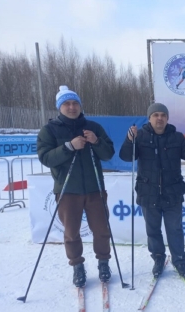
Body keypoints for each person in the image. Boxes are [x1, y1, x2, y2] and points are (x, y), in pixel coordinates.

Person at [37, 85, 115, 288]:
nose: (71, 107)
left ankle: (104, 263)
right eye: (66, 103)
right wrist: (68, 147)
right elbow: (45, 157)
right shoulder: (49, 130)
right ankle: (77, 266)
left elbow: (108, 154)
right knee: (71, 232)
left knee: (101, 229)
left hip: (94, 188)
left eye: (75, 103)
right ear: (59, 107)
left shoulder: (94, 127)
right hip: (67, 190)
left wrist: (96, 142)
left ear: (80, 106)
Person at [119, 103, 185, 279]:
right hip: (149, 193)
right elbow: (126, 156)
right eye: (155, 115)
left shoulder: (177, 137)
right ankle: (158, 259)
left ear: (167, 118)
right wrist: (129, 140)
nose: (159, 118)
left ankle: (179, 261)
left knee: (175, 230)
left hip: (173, 193)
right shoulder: (140, 137)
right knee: (153, 231)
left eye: (163, 115)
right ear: (149, 118)